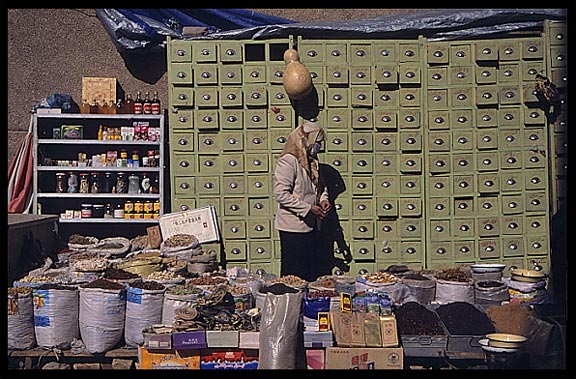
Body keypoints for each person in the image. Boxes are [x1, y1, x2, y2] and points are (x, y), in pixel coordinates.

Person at [273, 120, 332, 282]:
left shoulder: (313, 161)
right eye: (317, 142)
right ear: (306, 140)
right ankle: (291, 304)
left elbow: (320, 185)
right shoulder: (289, 161)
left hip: (311, 225)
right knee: (294, 273)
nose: (319, 146)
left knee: (309, 271)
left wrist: (323, 199)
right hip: (293, 227)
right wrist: (307, 208)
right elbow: (281, 194)